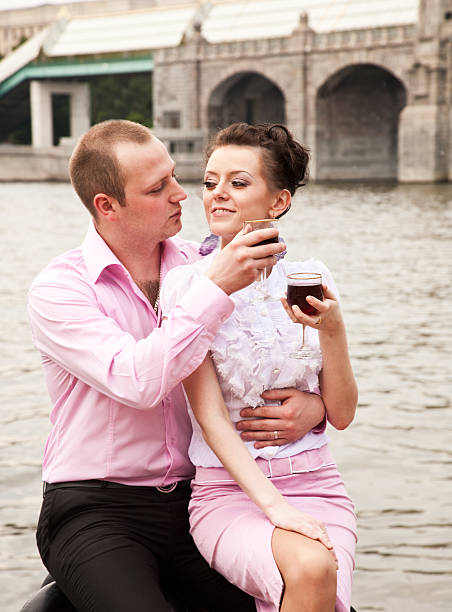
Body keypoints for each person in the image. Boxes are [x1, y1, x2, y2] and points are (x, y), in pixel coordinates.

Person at [26, 119, 327, 612]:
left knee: (317, 595)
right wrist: (214, 290)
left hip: (203, 499)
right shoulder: (60, 289)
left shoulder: (203, 262)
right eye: (158, 187)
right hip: (96, 509)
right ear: (108, 206)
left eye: (174, 176)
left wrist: (314, 407)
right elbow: (137, 380)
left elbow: (278, 356)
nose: (182, 194)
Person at [160, 122, 358, 612]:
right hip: (231, 493)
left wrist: (332, 330)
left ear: (279, 202)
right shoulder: (186, 287)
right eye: (210, 182)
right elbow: (209, 417)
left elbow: (343, 412)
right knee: (312, 567)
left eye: (238, 182)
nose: (216, 195)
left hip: (319, 483)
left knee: (318, 573)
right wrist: (277, 508)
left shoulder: (312, 276)